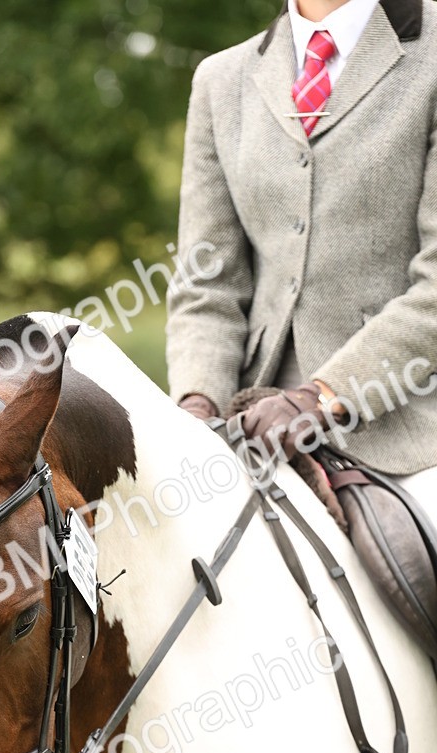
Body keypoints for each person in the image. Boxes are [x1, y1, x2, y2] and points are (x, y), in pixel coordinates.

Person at [166, 0, 437, 475]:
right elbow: (208, 287)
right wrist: (196, 405)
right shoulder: (220, 80)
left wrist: (321, 396)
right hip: (252, 419)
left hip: (411, 421)